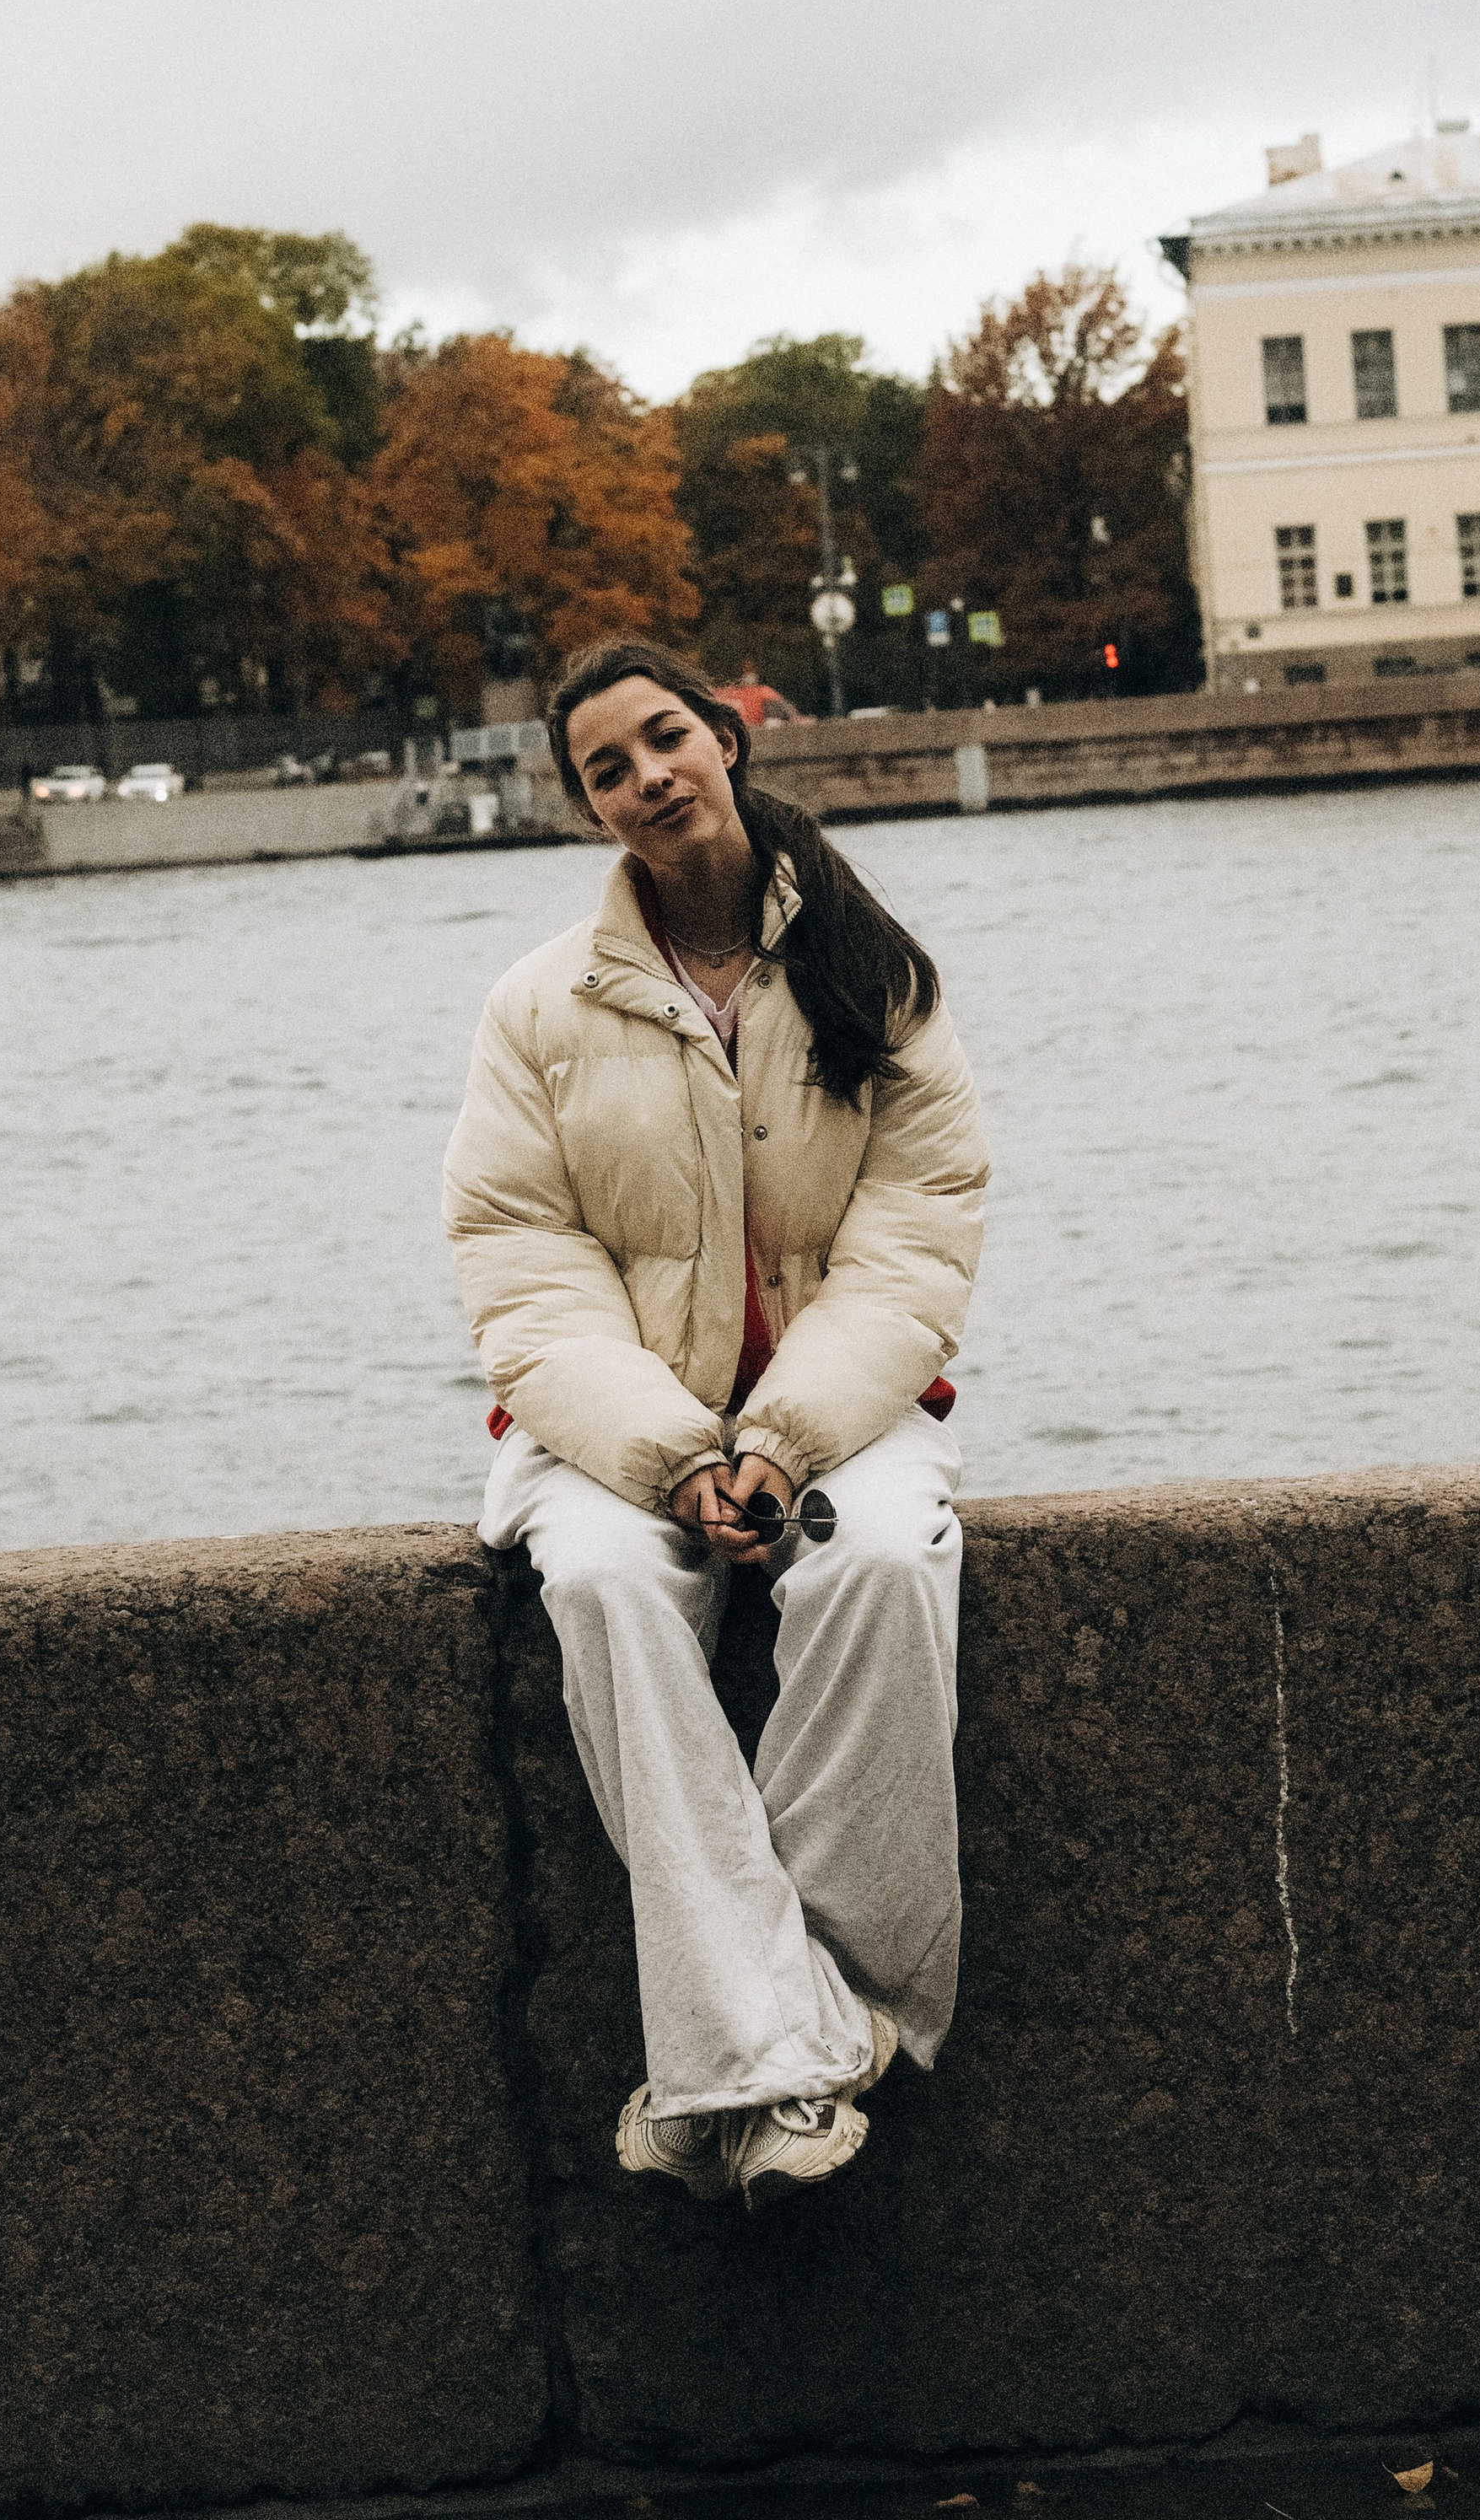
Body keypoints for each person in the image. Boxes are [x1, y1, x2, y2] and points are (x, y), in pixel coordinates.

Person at [444, 638, 989, 2206]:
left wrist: (789, 1435)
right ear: (587, 810)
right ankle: (814, 2040)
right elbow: (521, 1268)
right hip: (615, 1427)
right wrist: (680, 1456)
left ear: (730, 738)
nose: (646, 779)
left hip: (846, 1407)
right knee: (609, 1585)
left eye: (664, 739)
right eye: (606, 770)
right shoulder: (537, 1008)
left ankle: (785, 2033)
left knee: (885, 1564)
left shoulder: (874, 975)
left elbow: (917, 1238)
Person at [712, 662, 801, 728]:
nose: (748, 672)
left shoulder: (764, 691)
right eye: (745, 669)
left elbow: (789, 714)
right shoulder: (725, 693)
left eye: (751, 669)